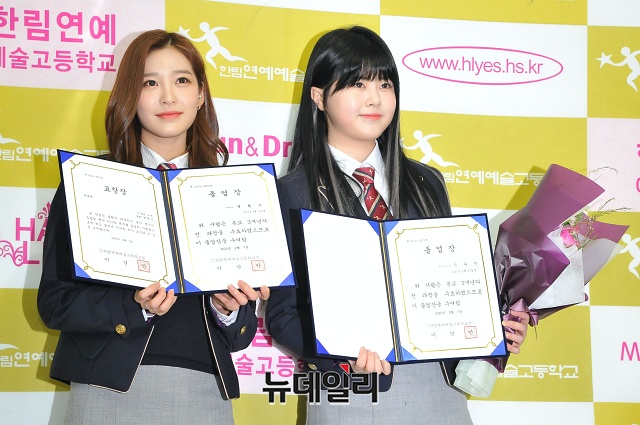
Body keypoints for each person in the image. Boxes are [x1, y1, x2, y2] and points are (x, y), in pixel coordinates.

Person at [265, 26, 530, 424]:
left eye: (385, 84)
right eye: (357, 84)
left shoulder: (427, 182)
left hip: (438, 391)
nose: (374, 98)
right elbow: (283, 315)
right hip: (350, 392)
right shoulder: (291, 192)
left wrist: (496, 326)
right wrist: (342, 356)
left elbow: (450, 287)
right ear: (318, 97)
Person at [38, 30, 269, 425]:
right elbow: (55, 303)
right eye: (150, 83)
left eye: (182, 80)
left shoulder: (234, 192)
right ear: (130, 95)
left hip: (204, 390)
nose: (168, 97)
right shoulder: (87, 181)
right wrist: (135, 307)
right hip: (106, 390)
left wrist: (227, 309)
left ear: (201, 94)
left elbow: (241, 332)